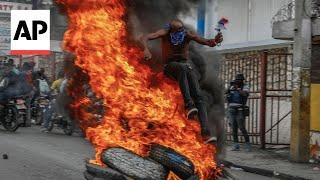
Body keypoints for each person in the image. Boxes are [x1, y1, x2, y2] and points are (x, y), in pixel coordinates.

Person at [140, 19, 223, 142]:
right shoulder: (165, 33)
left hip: (184, 66)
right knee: (183, 67)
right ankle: (189, 105)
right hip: (169, 67)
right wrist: (145, 49)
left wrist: (214, 41)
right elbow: (144, 37)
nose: (180, 33)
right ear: (171, 29)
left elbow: (204, 41)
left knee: (199, 97)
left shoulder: (186, 34)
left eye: (181, 30)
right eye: (177, 30)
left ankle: (205, 132)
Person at [226, 74, 251, 151]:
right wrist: (229, 88)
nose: (238, 81)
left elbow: (245, 94)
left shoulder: (245, 86)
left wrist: (238, 89)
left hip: (240, 109)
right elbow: (225, 93)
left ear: (242, 80)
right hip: (231, 109)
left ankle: (247, 144)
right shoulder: (232, 86)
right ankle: (236, 145)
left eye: (239, 80)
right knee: (233, 128)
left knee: (241, 127)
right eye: (237, 80)